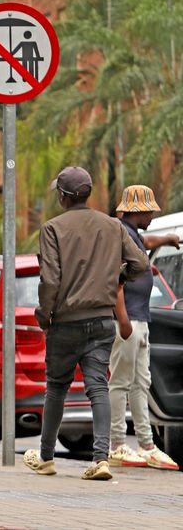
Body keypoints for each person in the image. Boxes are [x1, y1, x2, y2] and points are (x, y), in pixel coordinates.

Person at [24, 167, 149, 480]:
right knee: (98, 387)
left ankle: (46, 458)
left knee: (56, 387)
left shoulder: (52, 228)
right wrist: (118, 278)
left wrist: (44, 315)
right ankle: (101, 459)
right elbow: (141, 263)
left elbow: (50, 280)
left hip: (65, 323)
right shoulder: (113, 225)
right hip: (102, 321)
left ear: (63, 196)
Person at [108, 185, 181, 471]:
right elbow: (115, 279)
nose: (152, 216)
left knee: (141, 382)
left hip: (140, 320)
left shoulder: (133, 234)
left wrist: (166, 239)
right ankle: (117, 444)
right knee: (120, 382)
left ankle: (147, 445)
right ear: (138, 212)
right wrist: (123, 319)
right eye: (149, 212)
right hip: (128, 321)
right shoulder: (119, 234)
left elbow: (147, 241)